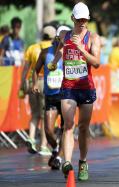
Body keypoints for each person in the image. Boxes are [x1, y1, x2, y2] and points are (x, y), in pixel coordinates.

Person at [48, 2, 101, 180]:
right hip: (69, 88)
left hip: (86, 88)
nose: (82, 23)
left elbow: (96, 63)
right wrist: (55, 62)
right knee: (68, 125)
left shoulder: (93, 38)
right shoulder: (65, 35)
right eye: (79, 20)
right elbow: (60, 49)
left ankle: (83, 162)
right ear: (73, 19)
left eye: (85, 20)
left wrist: (80, 48)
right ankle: (67, 162)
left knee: (84, 128)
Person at [32, 25, 71, 169]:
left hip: (66, 96)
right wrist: (35, 83)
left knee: (65, 128)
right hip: (50, 96)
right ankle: (55, 148)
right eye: (61, 37)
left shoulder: (69, 53)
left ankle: (59, 157)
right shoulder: (44, 53)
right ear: (56, 38)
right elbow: (35, 70)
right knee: (48, 129)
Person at [19, 25, 56, 156]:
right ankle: (44, 146)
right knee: (46, 115)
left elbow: (25, 69)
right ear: (54, 36)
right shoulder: (53, 49)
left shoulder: (32, 48)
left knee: (35, 114)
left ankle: (31, 137)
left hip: (32, 83)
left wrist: (22, 84)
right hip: (46, 83)